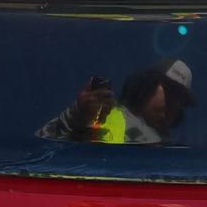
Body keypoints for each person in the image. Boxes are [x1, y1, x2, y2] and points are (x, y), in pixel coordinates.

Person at [37, 58, 196, 145]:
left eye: (181, 99)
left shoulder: (174, 150)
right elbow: (39, 149)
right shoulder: (102, 116)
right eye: (170, 92)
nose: (175, 103)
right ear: (148, 84)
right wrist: (77, 114)